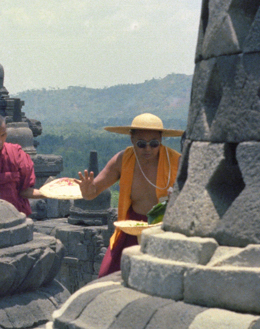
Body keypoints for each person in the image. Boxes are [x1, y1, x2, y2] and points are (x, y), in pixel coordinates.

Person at [77, 113, 182, 276]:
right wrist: (87, 191)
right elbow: (92, 193)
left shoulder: (176, 161)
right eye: (141, 144)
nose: (148, 149)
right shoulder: (122, 160)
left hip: (165, 228)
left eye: (154, 144)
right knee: (106, 274)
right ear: (132, 139)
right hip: (132, 227)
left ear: (161, 140)